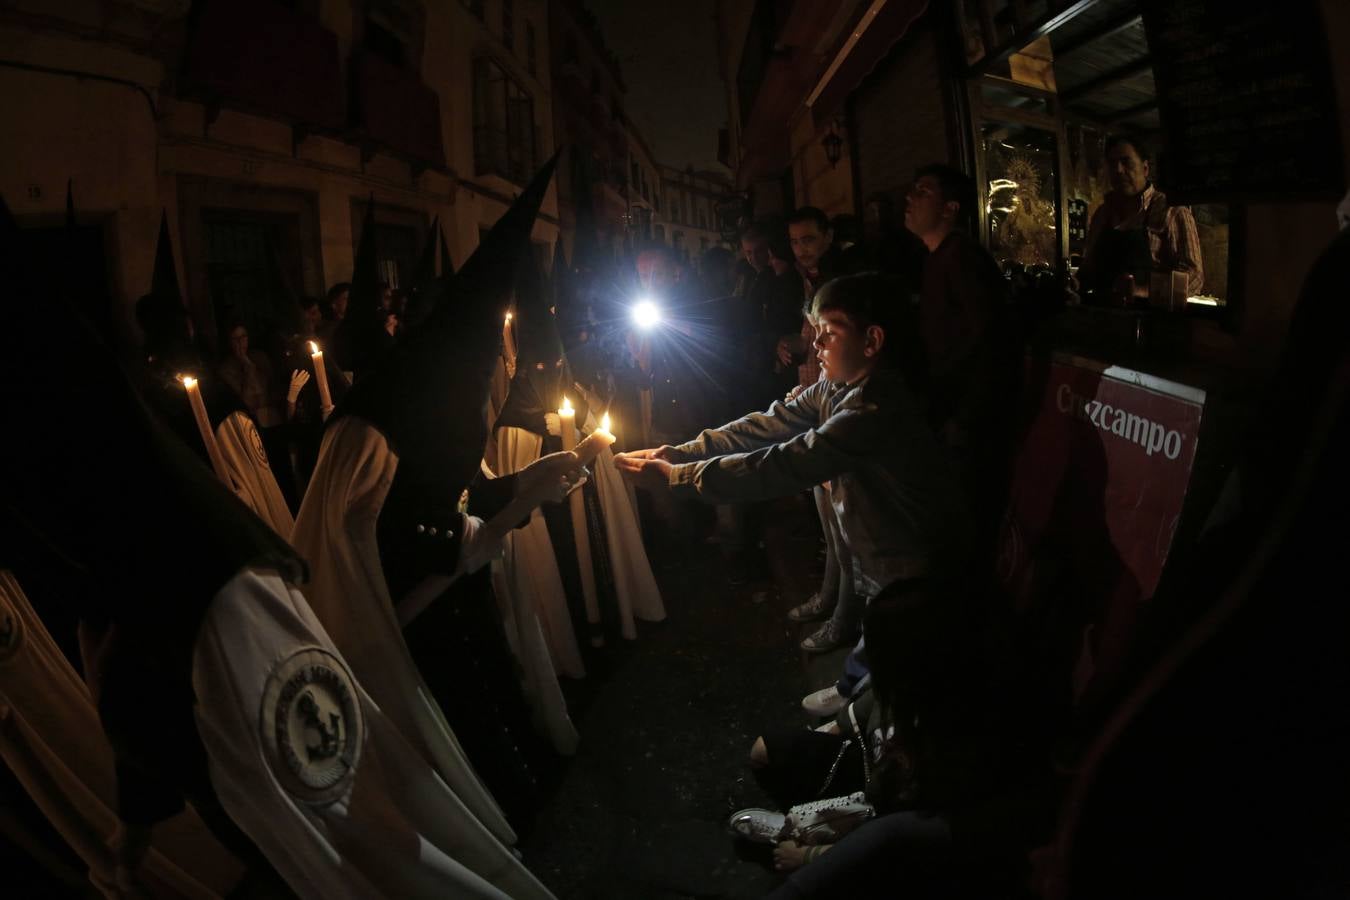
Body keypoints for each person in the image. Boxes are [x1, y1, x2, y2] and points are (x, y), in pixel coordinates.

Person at [616, 273, 969, 711]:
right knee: (881, 634)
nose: (814, 345)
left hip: (913, 562)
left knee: (907, 665)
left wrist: (676, 478)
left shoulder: (874, 408)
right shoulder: (834, 388)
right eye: (814, 333)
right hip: (884, 552)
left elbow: (782, 464)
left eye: (829, 333)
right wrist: (680, 452)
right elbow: (763, 427)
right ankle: (853, 699)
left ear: (872, 340)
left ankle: (866, 731)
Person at [905, 163, 1020, 554]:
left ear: (950, 208)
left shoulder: (962, 258)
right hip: (948, 411)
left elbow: (993, 342)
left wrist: (966, 417)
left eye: (923, 191)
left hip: (969, 420)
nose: (910, 197)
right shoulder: (937, 257)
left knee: (968, 522)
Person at [1077, 135, 1203, 305]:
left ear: (1145, 168)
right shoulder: (1102, 214)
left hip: (1150, 323)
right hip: (1101, 319)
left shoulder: (1173, 211)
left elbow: (1194, 277)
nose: (1118, 170)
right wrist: (1075, 284)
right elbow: (1089, 268)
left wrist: (1143, 291)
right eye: (1112, 164)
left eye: (1126, 162)